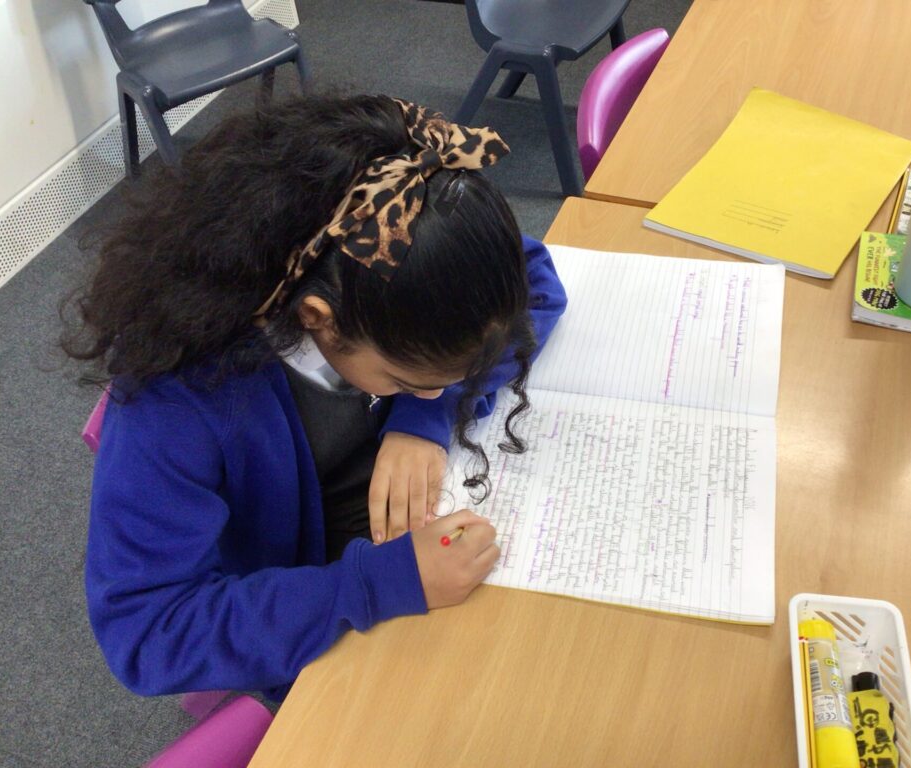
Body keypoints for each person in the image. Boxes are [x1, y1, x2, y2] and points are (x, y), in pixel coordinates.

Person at [61, 94, 567, 698]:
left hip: (395, 545)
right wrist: (376, 584)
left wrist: (422, 413)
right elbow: (149, 634)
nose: (439, 391)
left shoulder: (397, 222)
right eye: (407, 380)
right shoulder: (180, 401)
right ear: (317, 318)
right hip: (315, 603)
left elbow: (534, 283)